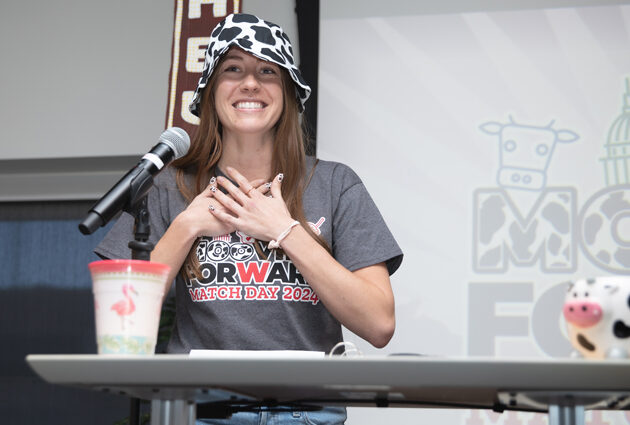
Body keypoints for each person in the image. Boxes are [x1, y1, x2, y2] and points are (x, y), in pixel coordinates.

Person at [95, 13, 403, 425]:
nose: (250, 83)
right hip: (200, 412)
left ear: (289, 92)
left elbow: (379, 324)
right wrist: (186, 227)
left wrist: (285, 230)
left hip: (308, 414)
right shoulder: (171, 187)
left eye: (267, 70)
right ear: (209, 92)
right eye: (233, 69)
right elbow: (121, 317)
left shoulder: (334, 183)